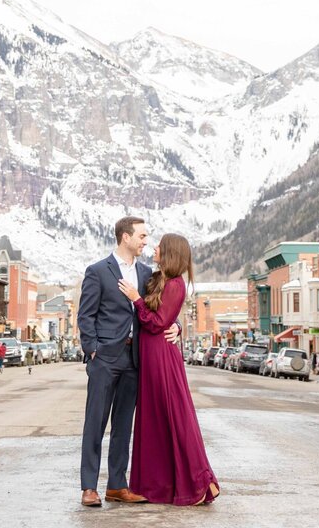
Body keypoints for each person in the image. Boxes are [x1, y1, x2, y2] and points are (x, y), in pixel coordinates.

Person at [77, 217, 180, 508]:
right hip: (105, 358)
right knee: (95, 422)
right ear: (125, 237)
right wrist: (92, 349)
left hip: (136, 359)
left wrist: (178, 327)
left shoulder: (148, 274)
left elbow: (165, 306)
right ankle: (89, 487)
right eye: (142, 236)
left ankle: (117, 485)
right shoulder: (98, 271)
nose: (145, 241)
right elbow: (86, 315)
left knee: (124, 424)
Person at [118, 233, 220, 506]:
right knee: (154, 420)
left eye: (160, 246)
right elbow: (166, 318)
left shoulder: (175, 284)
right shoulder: (158, 279)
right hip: (151, 356)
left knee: (173, 415)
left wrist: (137, 299)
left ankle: (196, 484)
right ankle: (157, 486)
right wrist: (175, 324)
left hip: (162, 357)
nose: (154, 248)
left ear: (170, 252)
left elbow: (157, 322)